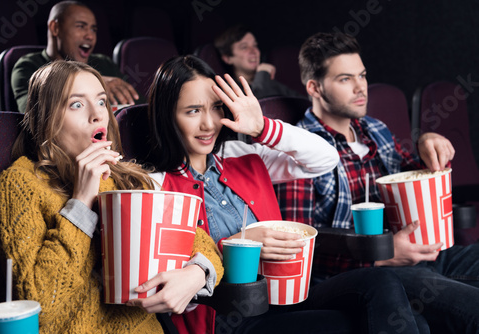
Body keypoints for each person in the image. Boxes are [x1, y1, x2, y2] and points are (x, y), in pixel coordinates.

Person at [144, 55, 423, 334]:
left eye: (217, 108)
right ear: (167, 116)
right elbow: (172, 286)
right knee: (364, 325)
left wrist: (262, 127)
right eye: (192, 111)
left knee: (382, 282)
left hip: (285, 296)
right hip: (227, 320)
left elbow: (325, 158)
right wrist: (239, 244)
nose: (209, 124)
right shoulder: (154, 186)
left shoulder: (243, 157)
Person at [0, 60, 223, 333]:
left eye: (100, 101)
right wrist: (81, 202)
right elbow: (38, 304)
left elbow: (199, 242)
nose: (97, 115)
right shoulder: (19, 185)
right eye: (76, 104)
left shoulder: (124, 177)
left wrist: (197, 273)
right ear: (47, 118)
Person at [276, 31, 479, 334]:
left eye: (362, 75)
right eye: (345, 79)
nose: (361, 88)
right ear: (315, 88)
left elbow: (412, 177)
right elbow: (298, 246)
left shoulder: (375, 129)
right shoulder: (300, 149)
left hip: (422, 255)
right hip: (365, 273)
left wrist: (427, 143)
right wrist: (380, 255)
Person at [11, 1, 141, 113]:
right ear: (55, 28)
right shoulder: (27, 66)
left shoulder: (104, 63)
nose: (90, 36)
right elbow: (33, 114)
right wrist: (92, 84)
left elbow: (138, 107)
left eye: (93, 29)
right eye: (81, 26)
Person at [214, 24, 305, 100]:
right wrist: (262, 73)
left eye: (255, 45)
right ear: (227, 58)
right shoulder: (229, 91)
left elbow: (303, 102)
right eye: (244, 47)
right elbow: (261, 105)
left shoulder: (269, 82)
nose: (254, 51)